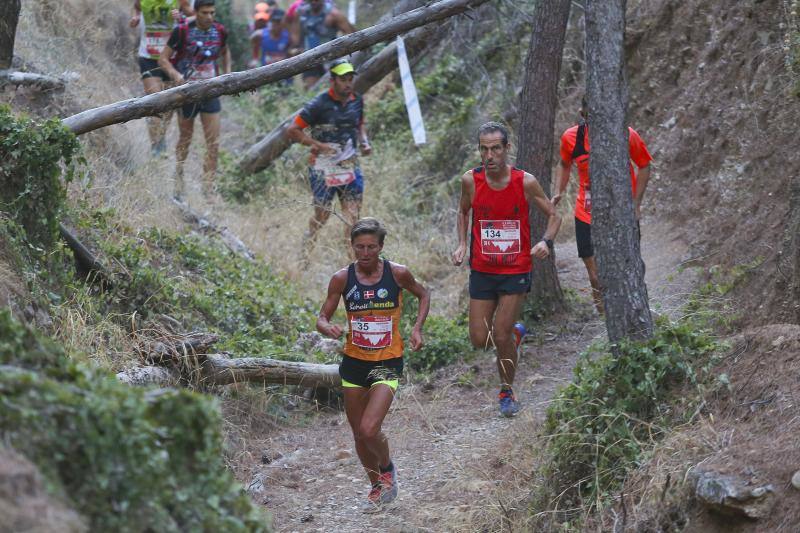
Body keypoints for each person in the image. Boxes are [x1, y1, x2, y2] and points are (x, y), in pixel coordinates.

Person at [317, 217, 430, 511]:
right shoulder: (342, 279)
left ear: (380, 246)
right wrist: (326, 326)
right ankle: (377, 486)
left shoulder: (398, 274)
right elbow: (322, 317)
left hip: (386, 362)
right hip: (354, 363)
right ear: (352, 246)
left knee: (369, 429)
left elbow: (423, 294)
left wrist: (417, 329)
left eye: (371, 247)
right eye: (359, 247)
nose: (365, 253)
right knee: (357, 433)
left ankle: (387, 468)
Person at [452, 122, 561, 417]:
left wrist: (546, 242)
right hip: (483, 269)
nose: (489, 155)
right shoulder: (470, 181)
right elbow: (463, 212)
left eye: (495, 148)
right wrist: (462, 244)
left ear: (506, 149)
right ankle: (515, 334)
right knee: (479, 338)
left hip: (515, 269)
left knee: (499, 335)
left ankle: (507, 390)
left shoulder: (524, 182)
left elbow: (553, 216)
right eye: (484, 149)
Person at [552, 97, 653, 314]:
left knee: (628, 268)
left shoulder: (626, 134)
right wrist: (558, 191)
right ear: (583, 114)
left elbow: (644, 165)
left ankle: (634, 312)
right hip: (586, 213)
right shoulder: (571, 138)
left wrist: (636, 203)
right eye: (591, 118)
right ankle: (604, 321)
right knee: (596, 276)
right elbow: (563, 163)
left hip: (621, 212)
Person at [286, 59, 371, 261]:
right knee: (322, 216)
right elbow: (293, 130)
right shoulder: (318, 104)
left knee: (353, 219)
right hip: (323, 169)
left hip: (350, 166)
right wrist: (316, 145)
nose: (348, 83)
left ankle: (353, 264)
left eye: (350, 79)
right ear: (332, 80)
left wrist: (365, 142)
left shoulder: (357, 100)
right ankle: (305, 251)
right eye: (343, 79)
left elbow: (360, 125)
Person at [158, 0, 231, 200]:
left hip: (211, 92)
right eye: (205, 13)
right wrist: (176, 76)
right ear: (195, 12)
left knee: (213, 143)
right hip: (187, 93)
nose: (210, 17)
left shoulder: (220, 31)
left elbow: (225, 53)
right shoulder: (182, 30)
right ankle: (178, 180)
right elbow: (163, 59)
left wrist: (229, 76)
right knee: (185, 139)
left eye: (212, 13)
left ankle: (208, 190)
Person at [130, 0, 194, 155]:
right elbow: (136, 7)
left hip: (170, 59)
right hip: (147, 56)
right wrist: (136, 17)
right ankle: (156, 147)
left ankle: (160, 135)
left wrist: (181, 18)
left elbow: (195, 17)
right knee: (154, 101)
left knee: (167, 105)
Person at [291, 0, 354, 88]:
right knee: (311, 90)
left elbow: (350, 35)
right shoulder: (301, 13)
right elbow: (295, 34)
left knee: (331, 88)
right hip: (310, 58)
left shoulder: (334, 14)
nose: (313, 2)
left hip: (330, 58)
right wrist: (297, 48)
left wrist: (343, 52)